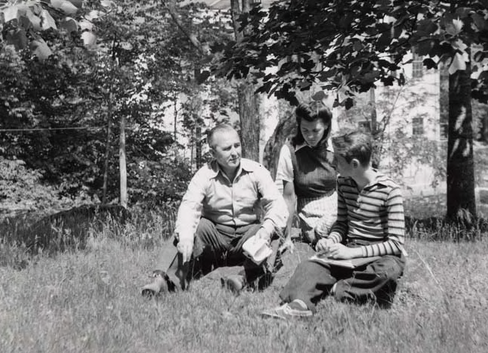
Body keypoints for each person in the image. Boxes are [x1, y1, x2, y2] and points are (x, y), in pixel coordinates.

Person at [262, 129, 406, 320]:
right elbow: (342, 223)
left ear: (354, 164)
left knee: (387, 272)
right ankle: (299, 304)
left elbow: (396, 244)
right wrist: (331, 239)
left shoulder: (390, 191)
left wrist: (353, 253)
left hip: (381, 255)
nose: (333, 163)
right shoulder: (344, 183)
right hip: (350, 249)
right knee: (308, 266)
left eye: (337, 160)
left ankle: (338, 288)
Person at [142, 123, 289, 296]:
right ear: (213, 153)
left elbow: (277, 204)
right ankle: (162, 282)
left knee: (274, 234)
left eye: (237, 145)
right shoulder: (204, 175)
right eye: (227, 148)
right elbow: (189, 207)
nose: (234, 152)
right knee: (186, 231)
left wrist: (266, 229)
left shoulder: (256, 171)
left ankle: (242, 279)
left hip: (248, 238)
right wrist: (186, 238)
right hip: (215, 236)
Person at [274, 100, 339, 247]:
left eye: (316, 131)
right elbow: (288, 197)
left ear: (326, 126)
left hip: (336, 207)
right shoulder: (290, 150)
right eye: (305, 130)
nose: (310, 136)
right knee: (327, 232)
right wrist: (288, 237)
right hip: (310, 213)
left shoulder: (335, 147)